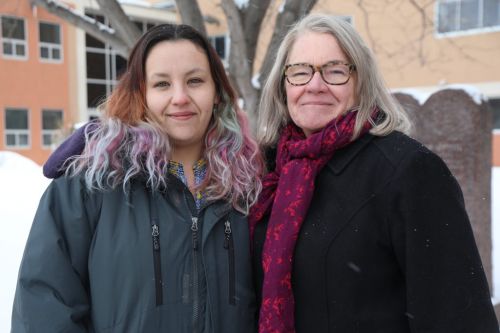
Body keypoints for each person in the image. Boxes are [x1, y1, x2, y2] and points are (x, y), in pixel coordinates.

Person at [250, 14, 499, 333]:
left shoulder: (408, 171)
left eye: (335, 71)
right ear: (283, 84)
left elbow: (457, 318)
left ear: (362, 82)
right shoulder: (270, 173)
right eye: (300, 72)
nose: (315, 85)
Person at [12, 23, 263, 332]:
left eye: (195, 81)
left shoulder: (251, 186)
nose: (180, 97)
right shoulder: (91, 183)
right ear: (141, 94)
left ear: (217, 93)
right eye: (162, 84)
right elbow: (44, 308)